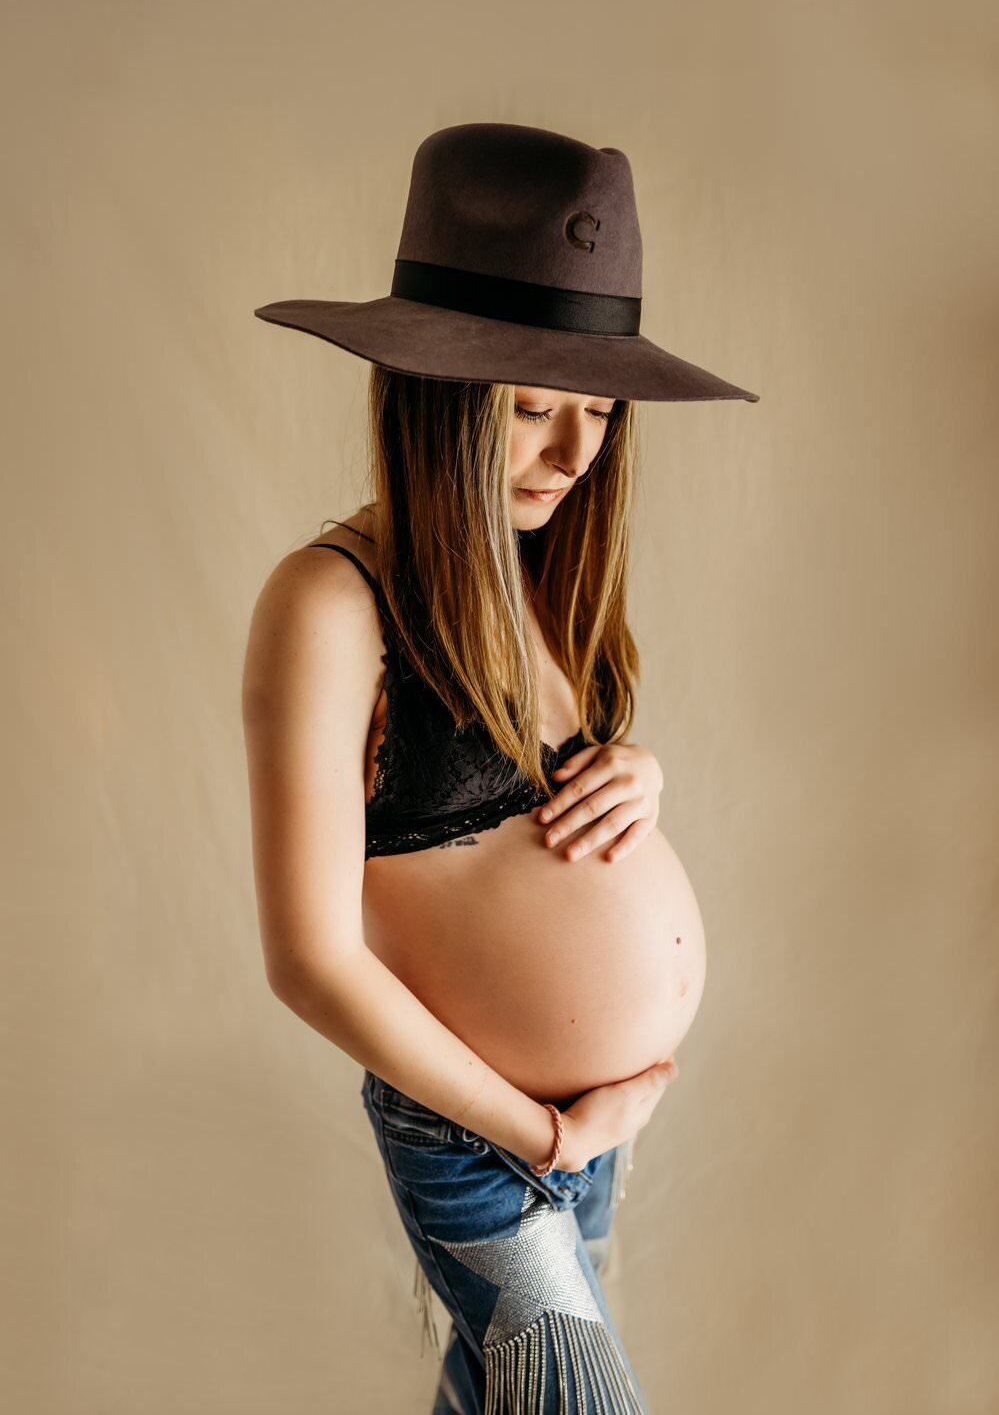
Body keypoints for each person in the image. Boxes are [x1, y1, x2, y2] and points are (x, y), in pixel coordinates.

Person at [242, 123, 758, 1412]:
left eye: (598, 412)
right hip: (489, 1144)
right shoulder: (331, 602)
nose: (576, 458)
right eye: (534, 410)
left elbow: (530, 817)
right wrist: (534, 1136)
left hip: (584, 1143)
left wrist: (639, 778)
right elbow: (310, 956)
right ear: (434, 394)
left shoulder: (533, 584)